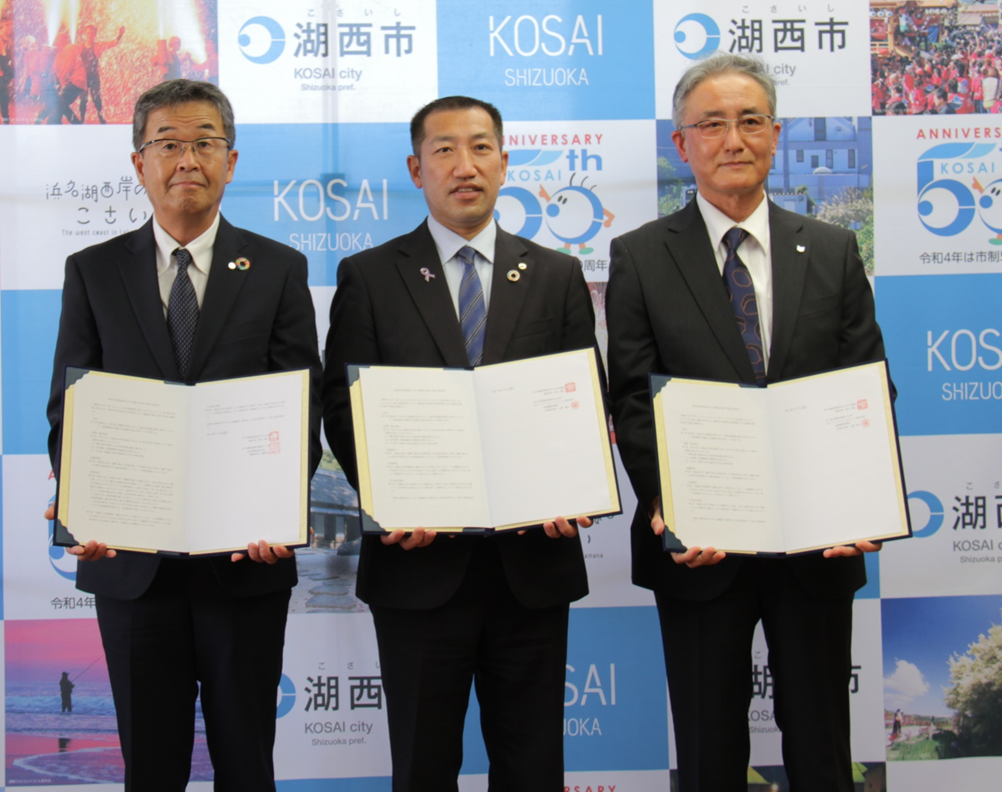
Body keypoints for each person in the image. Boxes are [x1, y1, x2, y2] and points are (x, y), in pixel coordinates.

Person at [606, 54, 888, 792]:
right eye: (711, 124)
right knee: (708, 748)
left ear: (775, 134)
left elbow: (865, 385)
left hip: (816, 543)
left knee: (822, 744)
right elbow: (632, 397)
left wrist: (859, 502)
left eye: (750, 121)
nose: (733, 139)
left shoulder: (831, 249)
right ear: (682, 143)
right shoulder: (639, 256)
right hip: (701, 546)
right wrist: (669, 504)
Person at [45, 79, 322, 791]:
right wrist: (83, 505)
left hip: (245, 562)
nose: (187, 160)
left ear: (232, 160)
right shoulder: (93, 271)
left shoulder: (279, 269)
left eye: (204, 142)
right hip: (133, 564)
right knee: (151, 764)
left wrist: (277, 513)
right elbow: (70, 410)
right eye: (168, 144)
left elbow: (301, 408)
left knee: (246, 761)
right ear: (139, 163)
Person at [322, 95, 596, 792]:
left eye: (479, 147)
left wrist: (573, 487)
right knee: (423, 766)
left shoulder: (557, 275)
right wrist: (390, 498)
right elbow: (343, 407)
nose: (463, 165)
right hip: (417, 565)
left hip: (532, 565)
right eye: (443, 150)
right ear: (417, 170)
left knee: (532, 767)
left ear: (504, 162)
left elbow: (580, 399)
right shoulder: (370, 275)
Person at [77, 24, 124, 124]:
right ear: (85, 34)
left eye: (91, 33)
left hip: (94, 77)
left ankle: (100, 115)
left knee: (96, 98)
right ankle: (81, 119)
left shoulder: (97, 46)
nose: (89, 35)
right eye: (88, 33)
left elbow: (112, 43)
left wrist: (120, 35)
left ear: (95, 35)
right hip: (83, 78)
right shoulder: (80, 47)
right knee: (83, 99)